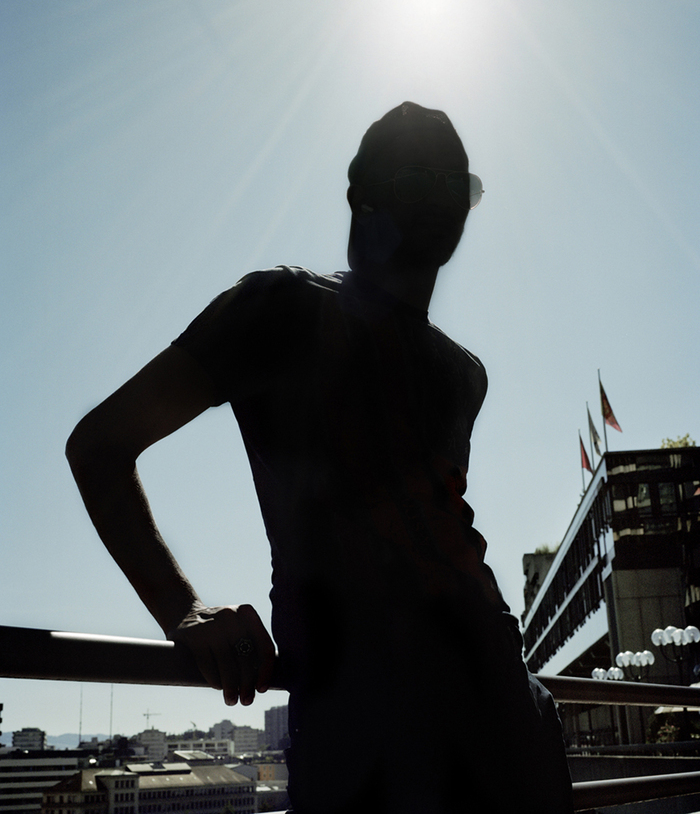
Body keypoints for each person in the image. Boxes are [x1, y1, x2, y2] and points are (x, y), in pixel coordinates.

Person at [66, 102, 573, 813]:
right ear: (361, 193)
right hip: (368, 741)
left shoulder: (464, 374)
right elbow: (99, 445)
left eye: (459, 186)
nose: (443, 199)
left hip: (511, 714)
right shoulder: (279, 306)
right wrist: (182, 608)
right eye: (421, 174)